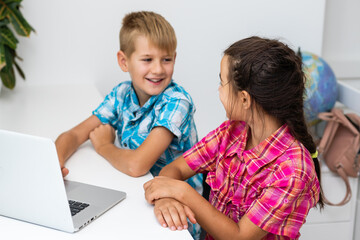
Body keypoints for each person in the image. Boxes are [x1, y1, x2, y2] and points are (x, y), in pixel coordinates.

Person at [143, 36, 324, 240]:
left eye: (222, 82)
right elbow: (174, 169)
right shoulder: (231, 132)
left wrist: (182, 192)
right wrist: (166, 199)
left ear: (244, 98)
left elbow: (238, 237)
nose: (219, 90)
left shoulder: (293, 171)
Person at [55, 11, 203, 238]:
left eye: (166, 59)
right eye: (147, 59)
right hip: (138, 193)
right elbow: (73, 135)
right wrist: (54, 165)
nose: (158, 69)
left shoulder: (176, 102)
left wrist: (104, 146)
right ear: (124, 61)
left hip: (177, 210)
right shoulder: (122, 93)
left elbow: (137, 166)